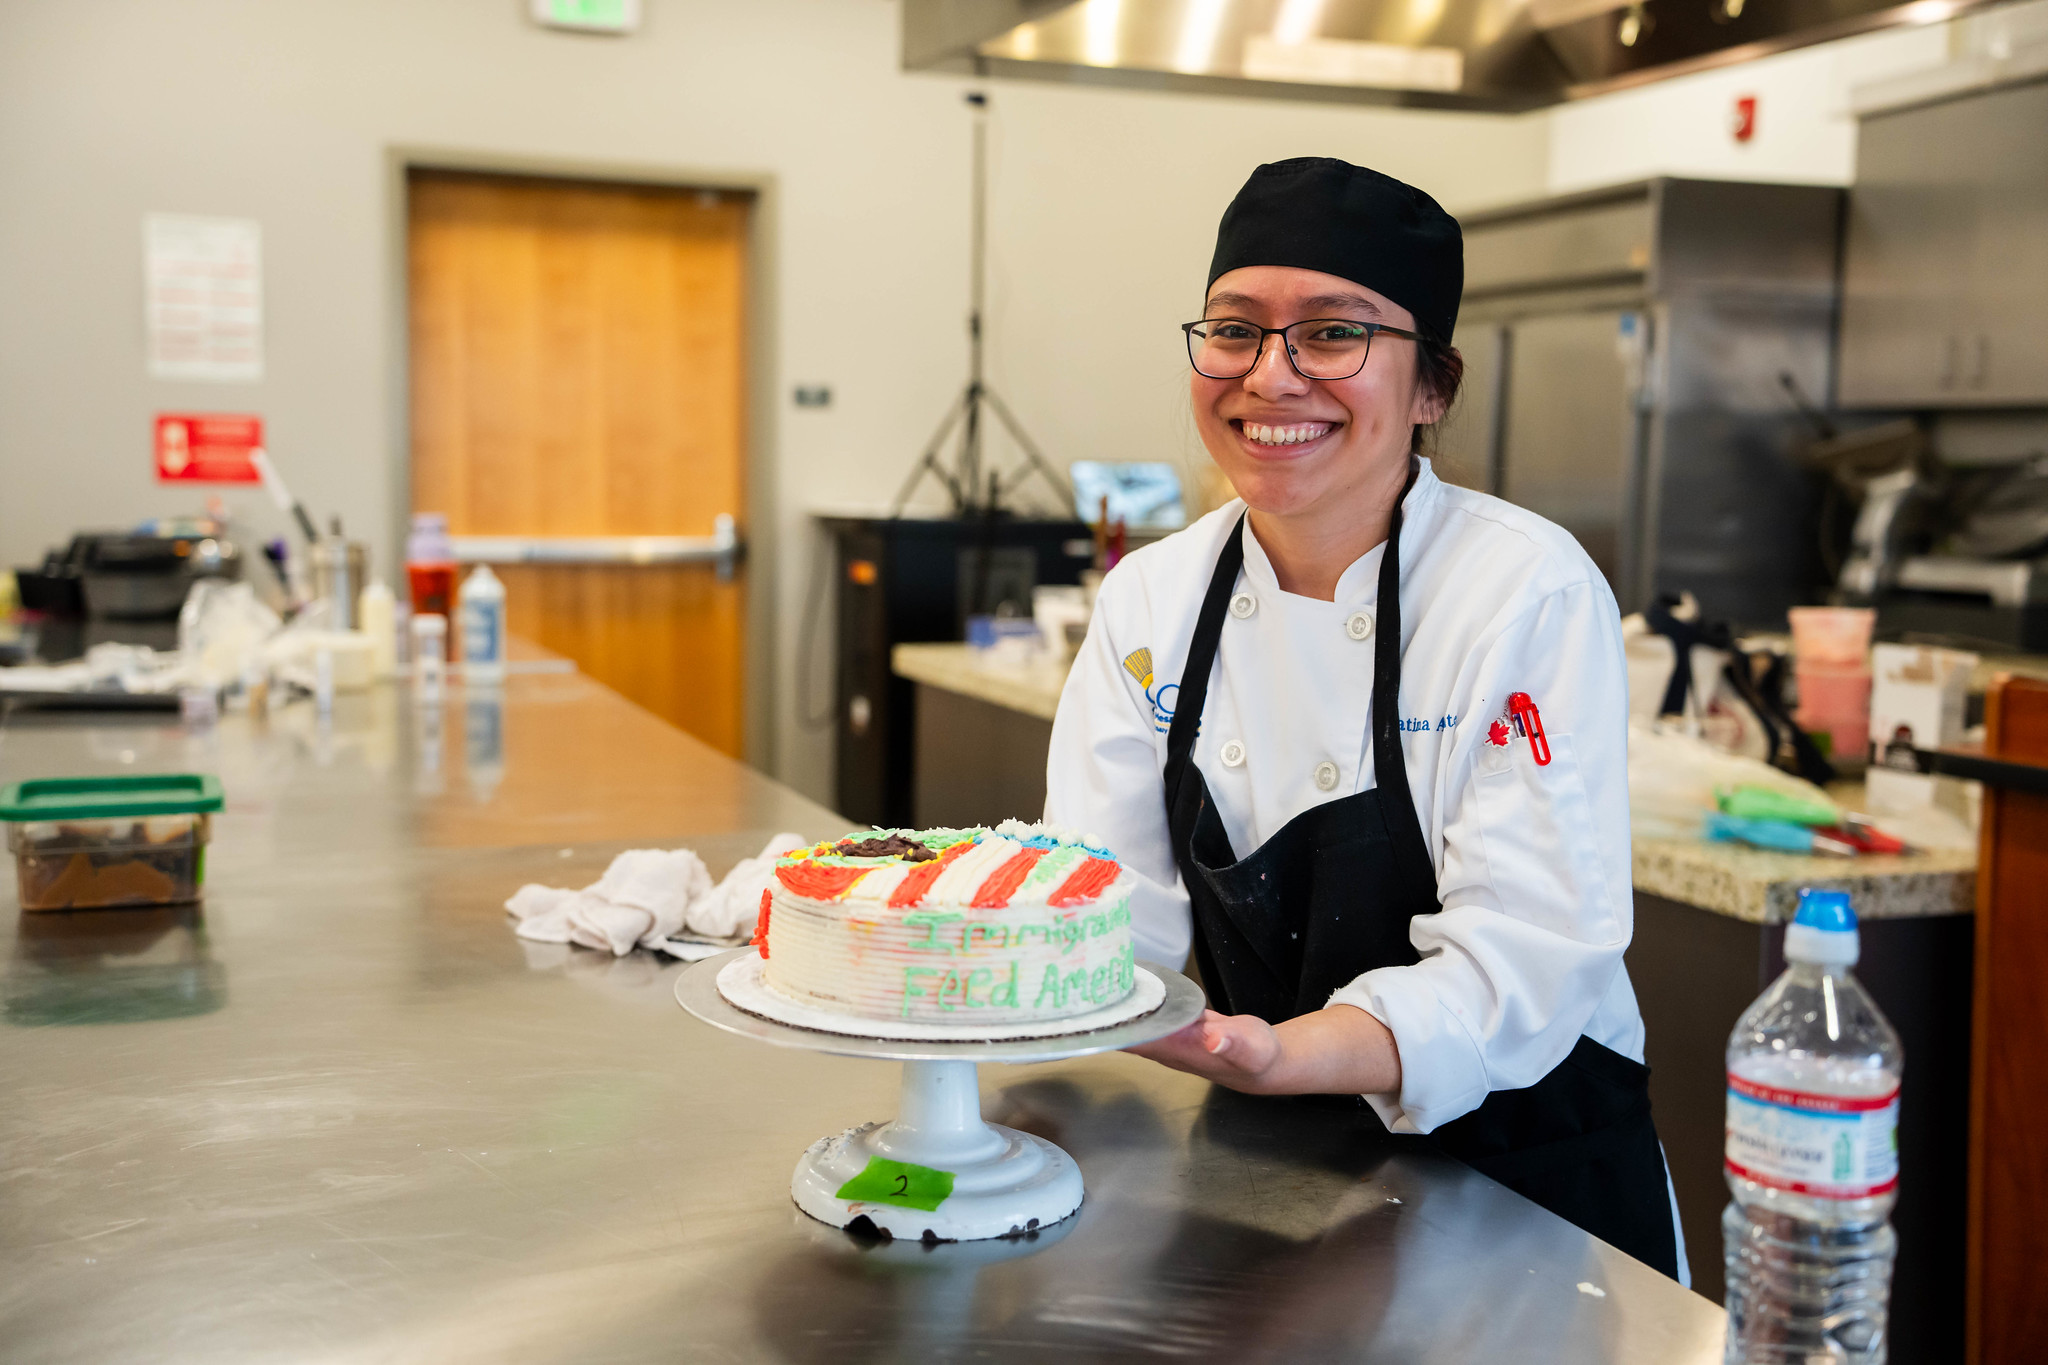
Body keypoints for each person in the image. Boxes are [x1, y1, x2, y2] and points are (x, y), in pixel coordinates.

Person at [1044, 157, 1684, 1280]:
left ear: (1430, 388)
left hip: (1525, 1187)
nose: (1270, 378)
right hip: (1272, 1175)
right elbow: (1101, 909)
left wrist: (1277, 1054)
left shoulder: (1520, 589)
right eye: (1234, 331)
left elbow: (1521, 958)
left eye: (1332, 334)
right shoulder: (1150, 596)